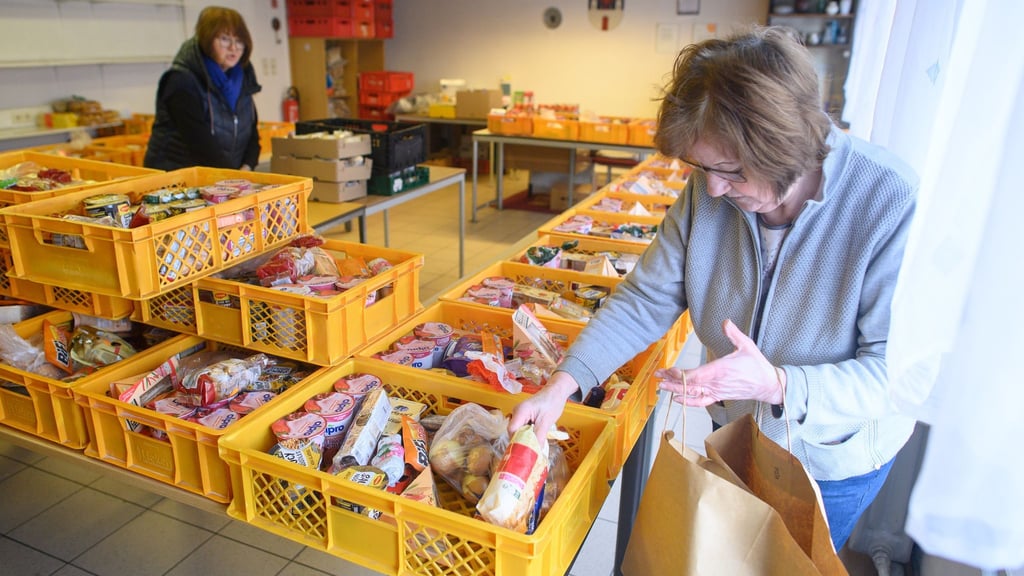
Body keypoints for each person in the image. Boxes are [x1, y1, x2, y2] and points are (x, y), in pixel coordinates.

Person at [509, 26, 919, 551]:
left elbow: (895, 374)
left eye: (730, 171)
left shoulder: (888, 200)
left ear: (783, 149)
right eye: (702, 169)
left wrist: (777, 385)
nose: (714, 188)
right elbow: (645, 298)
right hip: (735, 433)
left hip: (826, 456)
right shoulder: (710, 188)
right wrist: (563, 384)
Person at [144, 6, 261, 171]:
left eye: (239, 41)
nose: (234, 48)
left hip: (223, 176)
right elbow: (199, 143)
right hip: (176, 177)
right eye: (225, 39)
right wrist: (232, 177)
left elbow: (251, 132)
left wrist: (247, 167)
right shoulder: (181, 80)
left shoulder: (243, 78)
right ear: (207, 40)